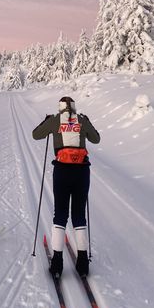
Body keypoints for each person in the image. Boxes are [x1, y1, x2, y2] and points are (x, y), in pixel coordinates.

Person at [32, 96, 100, 278]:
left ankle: (57, 264)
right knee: (79, 215)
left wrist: (47, 121)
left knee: (60, 214)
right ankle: (83, 263)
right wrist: (87, 122)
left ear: (60, 107)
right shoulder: (82, 120)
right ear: (74, 107)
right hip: (82, 171)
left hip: (62, 171)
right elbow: (96, 139)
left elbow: (36, 134)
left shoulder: (55, 120)